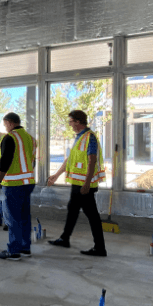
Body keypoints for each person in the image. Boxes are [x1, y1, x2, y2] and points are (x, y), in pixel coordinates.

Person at [47, 110, 107, 256]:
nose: (70, 124)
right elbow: (69, 160)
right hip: (78, 184)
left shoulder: (89, 137)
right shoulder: (80, 137)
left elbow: (92, 160)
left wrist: (87, 183)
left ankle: (99, 248)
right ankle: (65, 238)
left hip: (84, 186)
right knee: (73, 210)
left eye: (71, 122)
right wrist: (56, 175)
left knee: (91, 215)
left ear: (78, 122)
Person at [0, 112, 36, 261]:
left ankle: (14, 251)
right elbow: (32, 161)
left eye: (5, 125)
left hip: (13, 184)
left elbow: (5, 161)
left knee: (12, 218)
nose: (5, 128)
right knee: (24, 217)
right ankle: (25, 248)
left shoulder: (10, 138)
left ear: (10, 123)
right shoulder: (30, 138)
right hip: (28, 183)